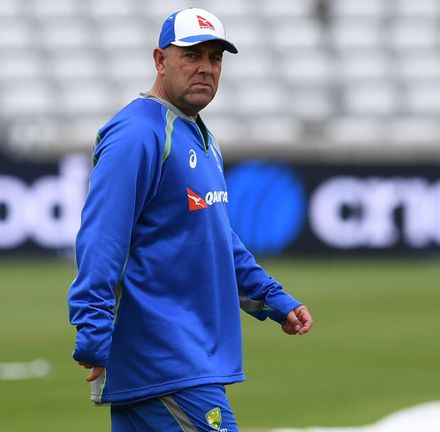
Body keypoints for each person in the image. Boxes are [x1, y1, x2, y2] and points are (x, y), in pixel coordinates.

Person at [67, 7, 313, 431]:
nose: (206, 68)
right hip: (166, 361)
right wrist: (92, 326)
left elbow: (216, 237)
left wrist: (271, 297)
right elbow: (102, 238)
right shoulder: (138, 134)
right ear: (160, 60)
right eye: (192, 55)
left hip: (182, 362)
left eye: (215, 58)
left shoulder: (197, 134)